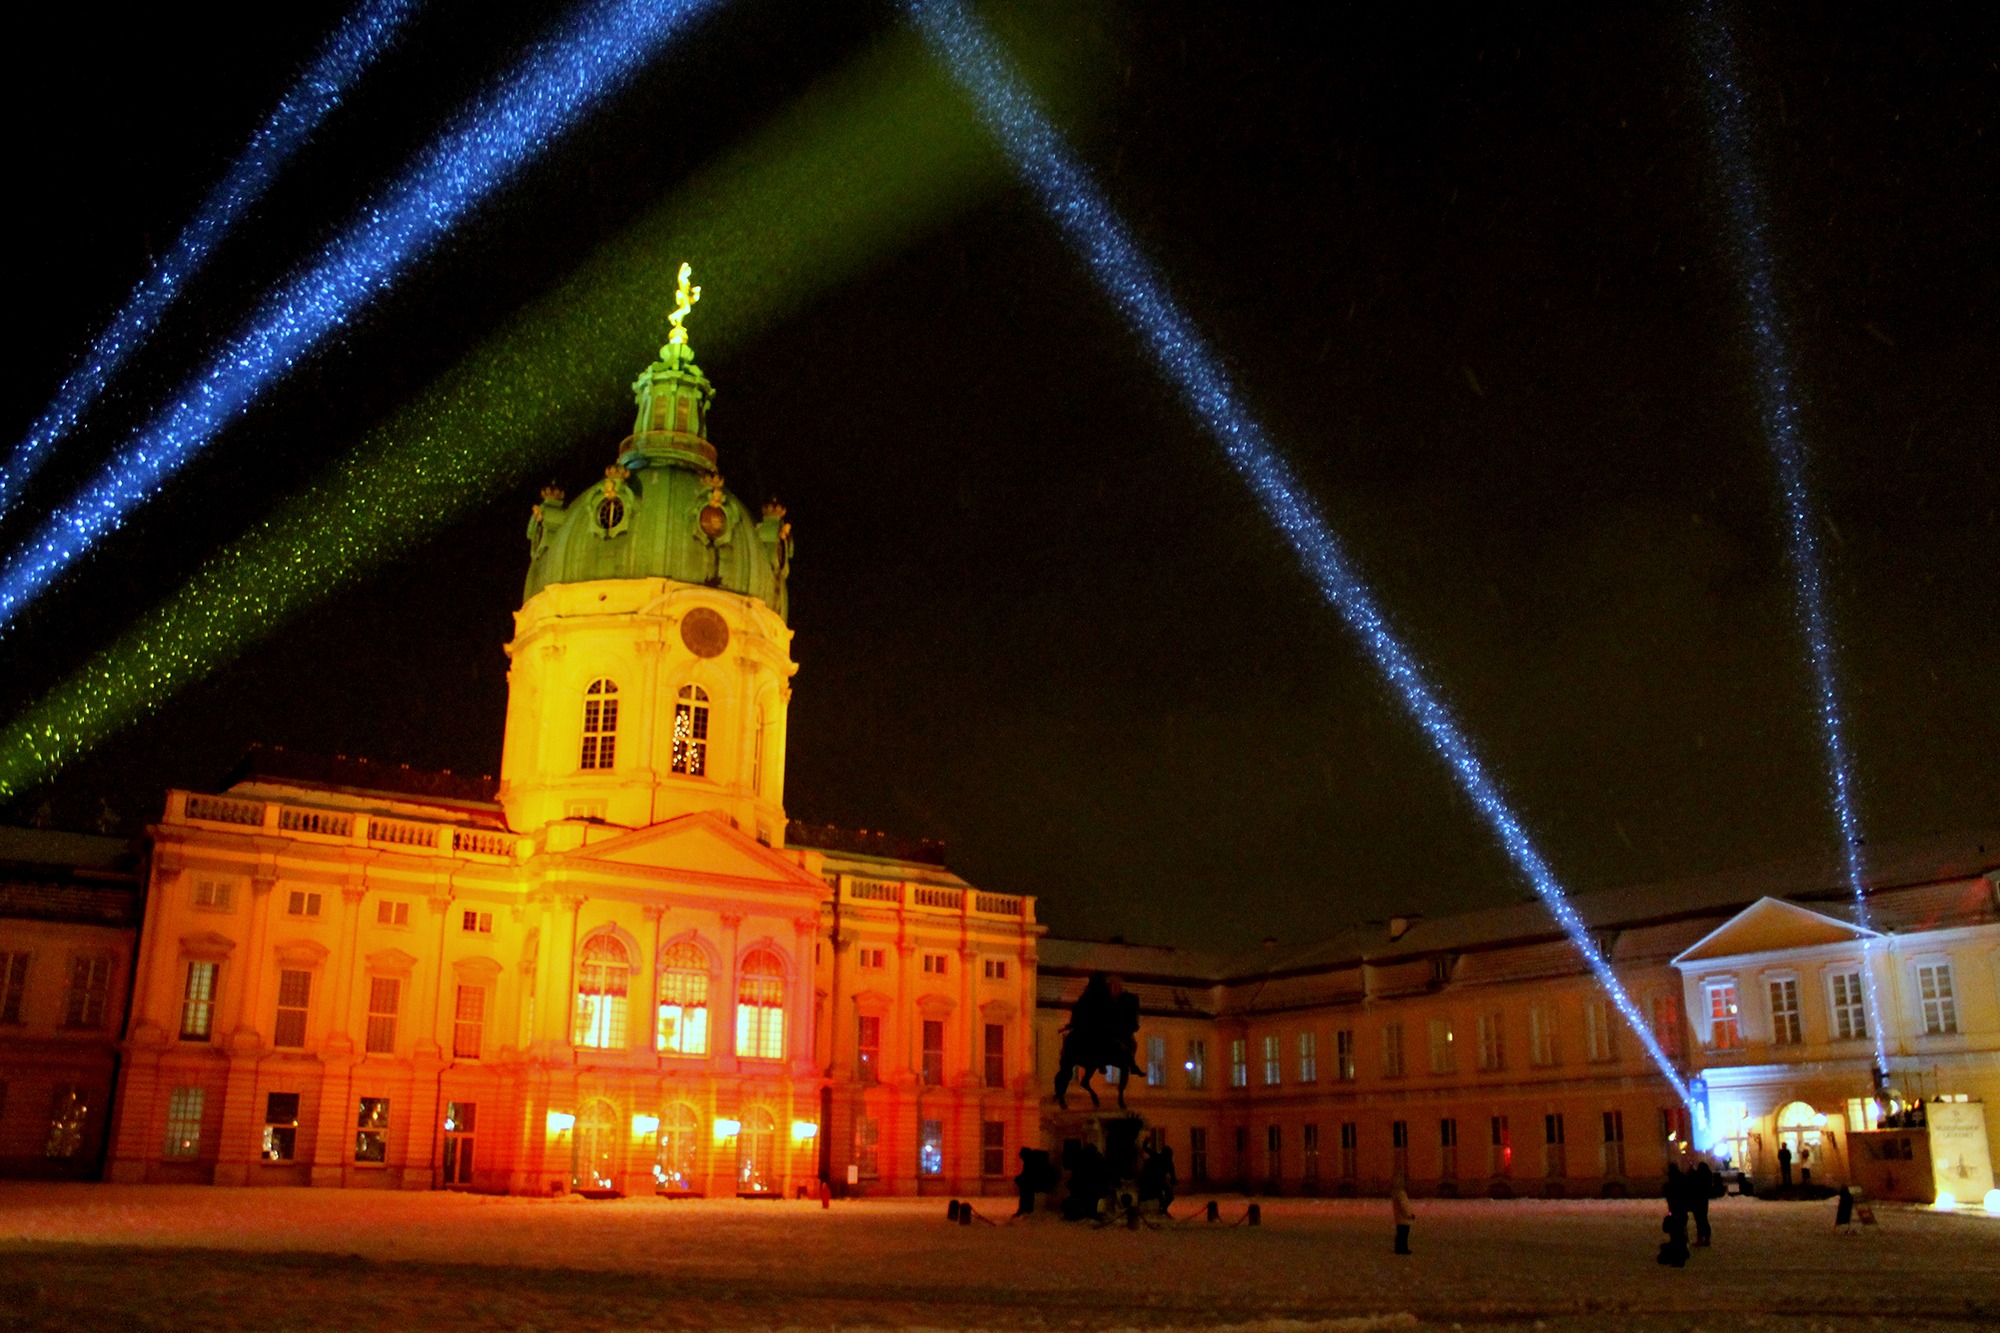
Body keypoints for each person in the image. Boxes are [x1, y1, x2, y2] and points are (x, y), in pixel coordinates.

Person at [1656, 1164, 1690, 1267]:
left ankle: (1679, 1258)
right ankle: (1682, 1253)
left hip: (1676, 1211)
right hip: (1682, 1211)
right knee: (1680, 1233)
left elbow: (1670, 1195)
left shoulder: (1672, 1183)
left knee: (1676, 1235)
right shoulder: (1682, 1180)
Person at [1690, 1161, 1714, 1247]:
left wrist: (1692, 1172)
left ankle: (1700, 1239)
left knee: (1700, 1221)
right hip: (1704, 1201)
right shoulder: (1708, 1176)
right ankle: (1707, 1238)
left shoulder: (1699, 1177)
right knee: (1704, 1220)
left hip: (1697, 1201)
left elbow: (1694, 1183)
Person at [1391, 1178, 1413, 1255]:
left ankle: (1399, 1248)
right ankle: (1402, 1249)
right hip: (1403, 1218)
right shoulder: (1401, 1194)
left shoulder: (1396, 1193)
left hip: (1399, 1218)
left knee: (1400, 1234)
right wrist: (1409, 1215)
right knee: (1403, 1234)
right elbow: (1404, 1206)